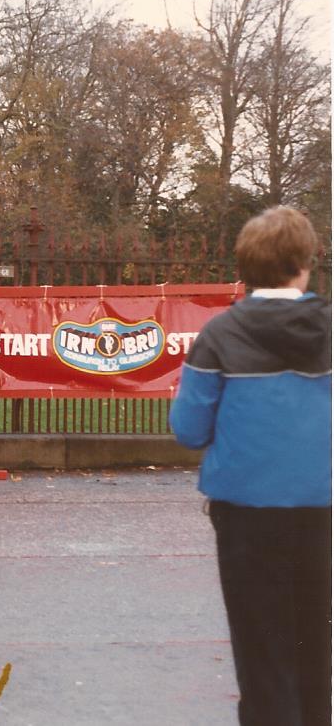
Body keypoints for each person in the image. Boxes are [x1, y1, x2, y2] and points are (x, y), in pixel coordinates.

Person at [169, 206, 330, 726]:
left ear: (245, 267)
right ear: (305, 264)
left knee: (262, 652)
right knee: (317, 650)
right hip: (322, 509)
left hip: (246, 514)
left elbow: (189, 430)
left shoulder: (218, 336)